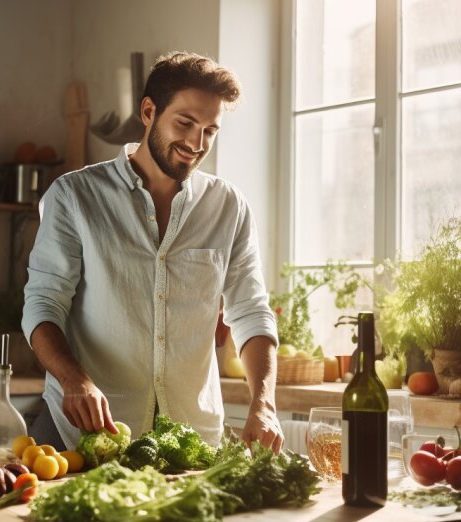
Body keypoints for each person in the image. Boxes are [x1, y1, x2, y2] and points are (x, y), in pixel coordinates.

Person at [22, 51, 283, 454]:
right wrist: (74, 380)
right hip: (80, 433)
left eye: (210, 131)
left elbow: (250, 312)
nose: (197, 144)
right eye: (185, 123)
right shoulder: (75, 196)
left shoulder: (228, 206)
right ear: (148, 111)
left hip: (190, 440)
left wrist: (263, 403)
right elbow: (42, 305)